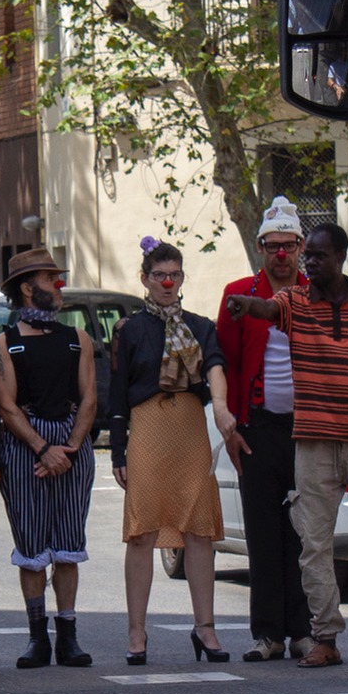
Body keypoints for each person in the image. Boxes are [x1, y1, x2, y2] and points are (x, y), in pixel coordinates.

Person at [224, 223, 348, 669]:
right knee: (313, 544)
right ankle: (325, 637)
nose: (308, 262)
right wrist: (243, 304)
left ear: (340, 257)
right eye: (307, 255)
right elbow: (265, 307)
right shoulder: (294, 302)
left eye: (318, 255)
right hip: (313, 443)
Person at [111, 239, 241, 665]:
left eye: (174, 275)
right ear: (145, 280)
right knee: (142, 531)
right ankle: (136, 633)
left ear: (182, 278)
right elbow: (117, 395)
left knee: (198, 531)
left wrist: (220, 406)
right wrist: (118, 452)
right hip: (147, 428)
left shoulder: (201, 326)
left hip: (189, 429)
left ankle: (206, 629)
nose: (167, 283)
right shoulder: (129, 330)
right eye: (159, 276)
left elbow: (216, 365)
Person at [216, 197, 314, 661]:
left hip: (308, 431)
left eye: (289, 246)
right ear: (260, 247)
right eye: (273, 246)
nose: (281, 254)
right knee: (262, 532)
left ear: (299, 247)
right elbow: (227, 363)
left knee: (304, 534)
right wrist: (231, 427)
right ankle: (268, 634)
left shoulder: (317, 293)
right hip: (257, 429)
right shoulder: (239, 292)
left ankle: (304, 630)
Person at [0, 247, 97, 668]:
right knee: (32, 544)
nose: (58, 285)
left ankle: (68, 635)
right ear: (26, 288)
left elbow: (89, 398)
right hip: (26, 447)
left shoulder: (78, 338)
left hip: (72, 444)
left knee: (68, 542)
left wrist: (69, 446)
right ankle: (38, 637)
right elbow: (6, 406)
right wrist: (42, 448)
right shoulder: (5, 343)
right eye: (50, 278)